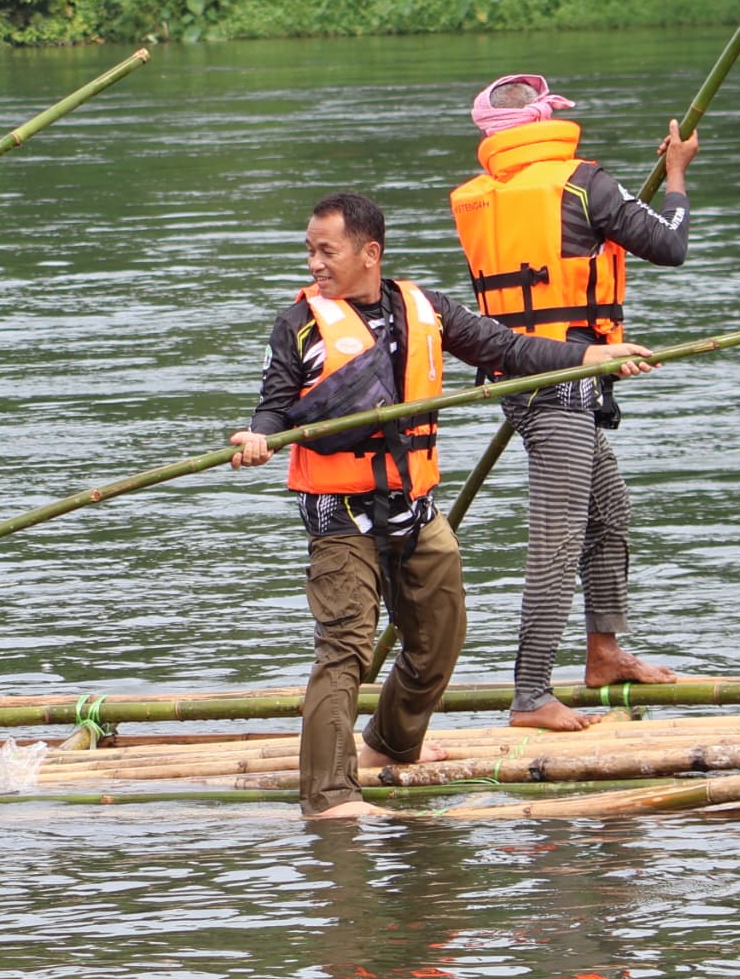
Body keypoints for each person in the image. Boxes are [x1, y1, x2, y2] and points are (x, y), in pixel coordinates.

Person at [229, 192, 651, 818]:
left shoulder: (424, 308)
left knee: (440, 635)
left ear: (370, 253)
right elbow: (273, 403)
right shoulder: (298, 326)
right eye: (309, 251)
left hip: (413, 507)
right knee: (344, 650)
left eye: (327, 251)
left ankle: (390, 747)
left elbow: (508, 349)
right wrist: (257, 436)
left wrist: (590, 355)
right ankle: (328, 799)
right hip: (339, 515)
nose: (315, 263)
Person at [450, 73, 698, 732]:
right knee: (558, 540)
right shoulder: (584, 184)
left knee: (609, 511)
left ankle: (604, 652)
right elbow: (669, 245)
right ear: (546, 121)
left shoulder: (476, 197)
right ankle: (531, 694)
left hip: (519, 379)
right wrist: (675, 177)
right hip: (562, 381)